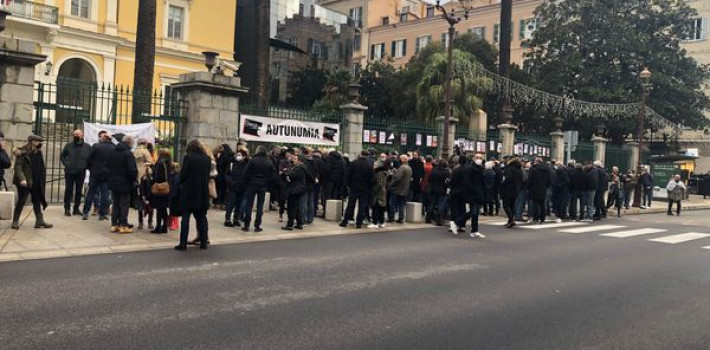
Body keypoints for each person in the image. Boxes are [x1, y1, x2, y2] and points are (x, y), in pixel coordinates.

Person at [175, 140, 211, 250]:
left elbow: (183, 175)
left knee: (185, 218)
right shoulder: (207, 158)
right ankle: (203, 242)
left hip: (189, 192)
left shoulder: (188, 158)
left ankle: (183, 244)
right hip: (203, 191)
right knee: (201, 218)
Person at [11, 134, 52, 230]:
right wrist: (22, 179)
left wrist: (41, 178)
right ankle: (15, 221)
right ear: (31, 141)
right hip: (25, 181)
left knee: (37, 200)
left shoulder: (38, 152)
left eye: (39, 141)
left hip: (36, 181)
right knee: (21, 200)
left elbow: (41, 166)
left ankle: (39, 220)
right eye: (36, 141)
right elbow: (18, 167)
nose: (38, 143)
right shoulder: (23, 152)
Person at [451, 153, 486, 238]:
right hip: (472, 194)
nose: (479, 159)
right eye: (477, 157)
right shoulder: (471, 168)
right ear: (474, 158)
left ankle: (474, 230)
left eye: (480, 158)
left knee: (475, 213)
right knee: (473, 211)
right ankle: (456, 222)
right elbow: (467, 182)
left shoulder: (480, 168)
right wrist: (475, 190)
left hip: (477, 193)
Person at [242, 146, 276, 232]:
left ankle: (246, 225)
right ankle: (257, 225)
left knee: (249, 205)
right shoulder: (268, 161)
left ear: (259, 151)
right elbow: (273, 175)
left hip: (252, 184)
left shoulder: (253, 160)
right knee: (260, 206)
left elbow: (245, 172)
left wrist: (248, 180)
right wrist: (267, 183)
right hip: (263, 185)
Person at [108, 135, 138, 234]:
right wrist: (134, 178)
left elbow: (109, 166)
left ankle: (114, 224)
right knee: (124, 204)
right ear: (129, 143)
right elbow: (132, 170)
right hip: (125, 183)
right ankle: (123, 225)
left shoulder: (113, 152)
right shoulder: (128, 154)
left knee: (115, 203)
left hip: (113, 182)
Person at [83, 130, 114, 221]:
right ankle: (102, 214)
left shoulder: (96, 146)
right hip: (107, 174)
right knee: (105, 195)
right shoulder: (114, 148)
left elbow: (88, 159)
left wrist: (91, 168)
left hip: (95, 173)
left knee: (91, 193)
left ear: (104, 138)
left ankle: (85, 212)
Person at [340, 150, 375, 228]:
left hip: (354, 187)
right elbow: (372, 179)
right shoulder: (369, 165)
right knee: (362, 206)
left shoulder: (354, 163)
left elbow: (347, 175)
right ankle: (359, 223)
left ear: (360, 154)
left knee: (350, 205)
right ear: (368, 156)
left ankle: (345, 222)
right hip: (364, 189)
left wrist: (348, 185)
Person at [60, 129, 91, 216]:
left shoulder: (87, 147)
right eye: (75, 134)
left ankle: (76, 208)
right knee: (68, 190)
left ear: (82, 135)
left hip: (81, 171)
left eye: (78, 134)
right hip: (69, 171)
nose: (76, 136)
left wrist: (86, 165)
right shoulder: (68, 145)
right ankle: (67, 208)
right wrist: (66, 163)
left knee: (79, 191)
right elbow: (62, 156)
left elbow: (90, 158)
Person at [149, 149, 174, 234]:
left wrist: (152, 177)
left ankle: (158, 226)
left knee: (159, 208)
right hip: (166, 188)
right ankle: (164, 226)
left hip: (160, 188)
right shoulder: (169, 163)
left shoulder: (160, 163)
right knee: (163, 209)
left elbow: (158, 177)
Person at [282, 154, 307, 230]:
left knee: (291, 208)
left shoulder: (298, 168)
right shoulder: (301, 167)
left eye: (295, 159)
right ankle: (299, 223)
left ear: (300, 160)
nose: (293, 160)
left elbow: (290, 175)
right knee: (296, 207)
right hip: (298, 189)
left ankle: (290, 224)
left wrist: (286, 171)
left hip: (294, 190)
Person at [225, 149, 248, 227]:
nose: (238, 156)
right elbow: (226, 174)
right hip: (233, 187)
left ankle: (236, 219)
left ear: (244, 157)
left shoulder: (246, 164)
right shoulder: (231, 164)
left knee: (239, 205)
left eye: (240, 155)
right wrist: (230, 181)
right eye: (237, 154)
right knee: (231, 204)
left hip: (242, 187)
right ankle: (227, 219)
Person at [134, 138, 154, 229]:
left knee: (139, 200)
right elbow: (151, 162)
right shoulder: (145, 151)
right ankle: (150, 222)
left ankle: (140, 222)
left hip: (137, 177)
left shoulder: (135, 151)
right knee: (149, 200)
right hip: (145, 177)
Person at [388, 154, 412, 223]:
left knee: (392, 203)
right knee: (401, 204)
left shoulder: (402, 168)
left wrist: (390, 185)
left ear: (403, 160)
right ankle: (401, 218)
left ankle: (391, 217)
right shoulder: (409, 168)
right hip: (405, 189)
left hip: (397, 189)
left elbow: (397, 179)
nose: (399, 159)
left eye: (400, 158)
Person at [501, 156, 524, 228]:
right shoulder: (520, 169)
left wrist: (502, 183)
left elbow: (508, 179)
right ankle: (510, 220)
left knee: (506, 205)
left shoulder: (510, 168)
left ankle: (511, 220)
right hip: (516, 189)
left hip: (508, 189)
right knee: (512, 205)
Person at [528, 157, 552, 224]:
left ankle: (535, 218)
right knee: (542, 205)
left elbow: (530, 180)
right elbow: (549, 180)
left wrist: (529, 187)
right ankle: (542, 219)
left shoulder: (533, 169)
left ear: (536, 162)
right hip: (543, 189)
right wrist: (546, 186)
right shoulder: (547, 169)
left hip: (534, 189)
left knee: (535, 204)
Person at [426, 159, 450, 226]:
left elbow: (429, 180)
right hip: (443, 191)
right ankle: (439, 220)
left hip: (433, 190)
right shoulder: (447, 172)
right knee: (441, 206)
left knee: (432, 204)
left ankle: (428, 218)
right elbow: (448, 182)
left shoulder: (434, 171)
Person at [370, 158, 390, 228]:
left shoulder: (379, 173)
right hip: (383, 191)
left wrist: (373, 190)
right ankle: (381, 222)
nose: (373, 166)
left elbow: (379, 184)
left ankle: (375, 222)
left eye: (374, 165)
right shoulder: (384, 172)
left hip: (378, 193)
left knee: (376, 207)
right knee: (381, 208)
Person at [449, 156, 467, 232]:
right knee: (462, 208)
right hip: (465, 192)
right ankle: (462, 225)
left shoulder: (456, 170)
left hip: (455, 191)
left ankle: (454, 224)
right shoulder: (468, 170)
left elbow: (452, 181)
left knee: (454, 209)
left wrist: (449, 184)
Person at [214, 144, 234, 209]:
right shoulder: (232, 155)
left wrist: (217, 156)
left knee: (220, 189)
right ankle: (224, 203)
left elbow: (219, 163)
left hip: (221, 175)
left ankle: (219, 203)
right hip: (228, 176)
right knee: (226, 191)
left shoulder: (223, 156)